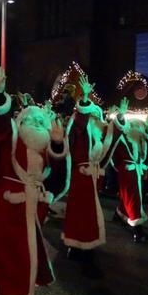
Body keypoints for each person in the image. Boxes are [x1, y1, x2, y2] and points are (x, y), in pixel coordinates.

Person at [0, 67, 67, 295]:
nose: (35, 125)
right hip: (10, 210)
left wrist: (55, 143)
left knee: (27, 257)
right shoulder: (12, 140)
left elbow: (57, 174)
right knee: (9, 257)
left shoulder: (44, 149)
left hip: (33, 212)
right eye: (29, 121)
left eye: (40, 122)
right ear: (20, 124)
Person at [62, 75, 113, 279]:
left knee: (80, 214)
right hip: (80, 176)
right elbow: (80, 121)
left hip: (88, 176)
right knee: (86, 216)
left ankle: (75, 249)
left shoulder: (94, 131)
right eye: (92, 115)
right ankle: (86, 256)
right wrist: (83, 97)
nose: (95, 118)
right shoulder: (79, 127)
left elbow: (108, 143)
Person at [109, 97, 148, 242]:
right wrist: (121, 115)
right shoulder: (122, 135)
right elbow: (115, 132)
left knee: (128, 196)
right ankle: (138, 230)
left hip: (135, 170)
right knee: (134, 198)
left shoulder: (140, 137)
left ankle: (119, 215)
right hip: (127, 170)